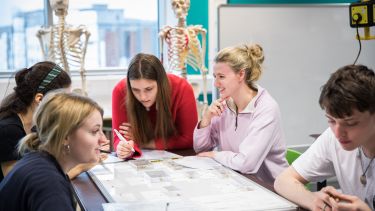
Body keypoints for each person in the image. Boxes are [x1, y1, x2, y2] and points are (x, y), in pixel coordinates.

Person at [274, 64, 375, 211]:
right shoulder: (332, 138)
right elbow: (283, 181)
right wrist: (314, 200)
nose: (338, 133)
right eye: (331, 120)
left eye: (350, 123)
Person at [193, 43, 288, 185]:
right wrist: (206, 118)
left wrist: (215, 155)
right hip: (238, 181)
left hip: (272, 189)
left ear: (241, 74)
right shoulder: (224, 104)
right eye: (215, 76)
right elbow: (201, 150)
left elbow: (246, 163)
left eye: (221, 76)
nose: (216, 83)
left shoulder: (266, 109)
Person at [0, 92, 107, 210]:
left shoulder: (38, 161)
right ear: (65, 136)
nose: (103, 139)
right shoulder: (49, 185)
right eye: (94, 131)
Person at [112, 53, 198, 159]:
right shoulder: (120, 90)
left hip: (181, 158)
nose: (142, 97)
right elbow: (120, 138)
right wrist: (123, 148)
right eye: (136, 90)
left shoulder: (182, 88)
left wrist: (143, 142)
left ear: (160, 83)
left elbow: (189, 139)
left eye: (149, 89)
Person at [0, 61, 71, 182]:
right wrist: (80, 167)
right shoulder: (8, 130)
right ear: (40, 98)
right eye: (63, 100)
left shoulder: (37, 126)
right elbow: (19, 182)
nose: (67, 105)